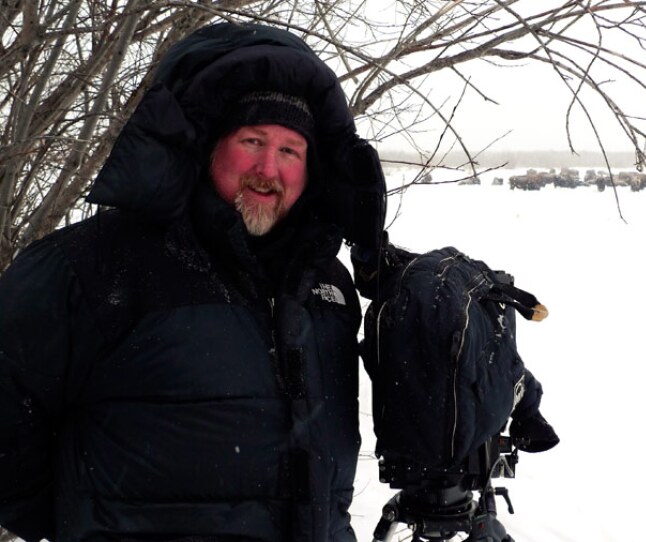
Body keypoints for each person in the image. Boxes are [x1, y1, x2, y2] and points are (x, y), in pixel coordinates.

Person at [0, 21, 386, 541]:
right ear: (206, 147)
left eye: (290, 150)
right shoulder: (91, 267)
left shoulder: (326, 286)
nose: (268, 169)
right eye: (251, 140)